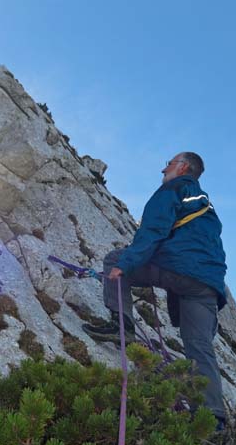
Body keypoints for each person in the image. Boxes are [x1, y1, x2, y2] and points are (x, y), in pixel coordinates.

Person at [82, 152, 227, 426]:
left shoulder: (174, 189)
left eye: (169, 163)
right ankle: (212, 419)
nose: (164, 168)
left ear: (183, 167)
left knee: (114, 259)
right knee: (199, 347)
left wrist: (127, 263)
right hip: (207, 284)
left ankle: (121, 325)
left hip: (179, 268)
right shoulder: (207, 209)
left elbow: (153, 230)